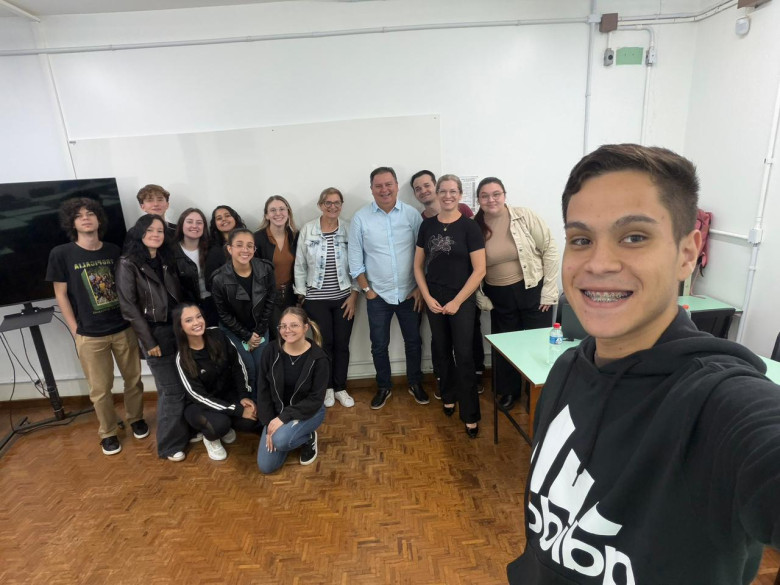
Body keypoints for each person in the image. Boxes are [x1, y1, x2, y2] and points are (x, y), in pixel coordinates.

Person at [508, 144, 780, 584]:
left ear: (687, 253)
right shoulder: (566, 371)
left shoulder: (720, 404)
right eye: (582, 240)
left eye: (634, 237)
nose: (598, 264)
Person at [46, 197, 146, 456]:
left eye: (90, 213)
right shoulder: (61, 253)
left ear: (99, 219)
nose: (86, 218)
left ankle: (136, 419)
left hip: (123, 328)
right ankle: (108, 432)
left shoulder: (113, 250)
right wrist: (74, 328)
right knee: (100, 390)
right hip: (89, 334)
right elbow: (60, 295)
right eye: (79, 216)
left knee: (134, 380)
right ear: (72, 223)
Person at [474, 177, 559, 411]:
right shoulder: (474, 226)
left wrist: (549, 291)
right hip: (498, 295)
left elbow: (549, 249)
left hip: (532, 290)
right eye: (484, 196)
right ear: (478, 199)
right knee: (506, 347)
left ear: (504, 195)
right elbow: (471, 266)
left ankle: (536, 395)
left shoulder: (524, 216)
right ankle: (508, 392)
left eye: (496, 194)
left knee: (537, 345)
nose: (491, 199)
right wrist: (480, 296)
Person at [349, 166, 428, 409]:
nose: (384, 190)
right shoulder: (360, 218)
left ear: (396, 186)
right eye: (379, 185)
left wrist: (420, 287)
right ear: (371, 189)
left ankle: (415, 382)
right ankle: (384, 386)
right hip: (378, 295)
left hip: (410, 293)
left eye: (388, 184)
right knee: (379, 345)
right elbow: (355, 260)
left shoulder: (412, 215)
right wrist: (367, 291)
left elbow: (424, 252)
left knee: (413, 342)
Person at [413, 175, 485, 438]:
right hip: (434, 297)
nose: (447, 196)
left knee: (463, 355)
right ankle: (448, 396)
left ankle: (470, 414)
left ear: (460, 194)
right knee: (441, 350)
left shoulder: (469, 227)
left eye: (453, 191)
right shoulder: (427, 226)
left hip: (462, 298)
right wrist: (426, 296)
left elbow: (479, 270)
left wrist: (457, 301)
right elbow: (417, 266)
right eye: (443, 191)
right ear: (437, 193)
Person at [116, 214, 190, 461]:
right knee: (171, 391)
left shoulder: (165, 258)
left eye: (159, 230)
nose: (156, 234)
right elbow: (129, 308)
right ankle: (169, 445)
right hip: (155, 333)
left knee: (183, 385)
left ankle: (185, 432)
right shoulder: (128, 263)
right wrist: (149, 342)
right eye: (150, 230)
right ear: (140, 233)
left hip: (177, 329)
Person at [294, 187, 358, 409]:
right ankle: (327, 387)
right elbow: (300, 264)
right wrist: (302, 295)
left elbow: (358, 263)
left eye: (336, 202)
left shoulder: (349, 229)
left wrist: (354, 294)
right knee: (324, 344)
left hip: (344, 299)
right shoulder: (308, 229)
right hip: (316, 299)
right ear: (320, 205)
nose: (332, 206)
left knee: (342, 344)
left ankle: (340, 388)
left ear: (341, 205)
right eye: (328, 203)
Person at [173, 303, 262, 461]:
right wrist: (238, 410)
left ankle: (227, 423)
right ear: (180, 327)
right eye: (189, 320)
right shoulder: (182, 358)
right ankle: (211, 438)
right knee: (220, 425)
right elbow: (199, 397)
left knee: (251, 419)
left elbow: (238, 365)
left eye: (199, 316)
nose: (196, 322)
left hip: (226, 396)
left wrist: (243, 396)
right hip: (200, 405)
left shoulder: (218, 334)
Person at [256, 307, 328, 473]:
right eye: (283, 326)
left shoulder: (319, 358)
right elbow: (263, 391)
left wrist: (284, 418)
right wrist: (269, 425)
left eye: (294, 325)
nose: (287, 330)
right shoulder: (270, 351)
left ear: (305, 327)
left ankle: (308, 436)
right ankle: (288, 436)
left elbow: (315, 399)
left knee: (280, 441)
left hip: (308, 411)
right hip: (278, 414)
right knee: (266, 467)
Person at [210, 228, 275, 398]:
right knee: (248, 369)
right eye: (239, 245)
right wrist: (247, 336)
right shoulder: (219, 278)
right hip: (233, 330)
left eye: (249, 246)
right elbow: (224, 315)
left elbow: (269, 302)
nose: (245, 250)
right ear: (229, 248)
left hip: (260, 328)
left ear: (254, 249)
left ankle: (263, 406)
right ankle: (249, 406)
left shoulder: (266, 269)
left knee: (262, 368)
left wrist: (258, 333)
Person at [254, 195, 298, 340]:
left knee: (292, 337)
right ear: (267, 215)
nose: (278, 213)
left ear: (288, 213)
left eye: (282, 209)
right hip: (268, 298)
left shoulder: (295, 236)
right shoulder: (257, 239)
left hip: (290, 296)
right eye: (273, 210)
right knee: (278, 337)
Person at [173, 208, 218, 326]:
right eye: (189, 222)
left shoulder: (213, 249)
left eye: (199, 223)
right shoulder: (172, 252)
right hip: (187, 308)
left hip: (214, 304)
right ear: (181, 225)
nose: (194, 226)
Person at [204, 205, 246, 291]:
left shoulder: (249, 241)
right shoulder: (214, 251)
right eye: (219, 218)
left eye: (227, 215)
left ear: (235, 218)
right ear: (215, 224)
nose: (224, 219)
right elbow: (210, 284)